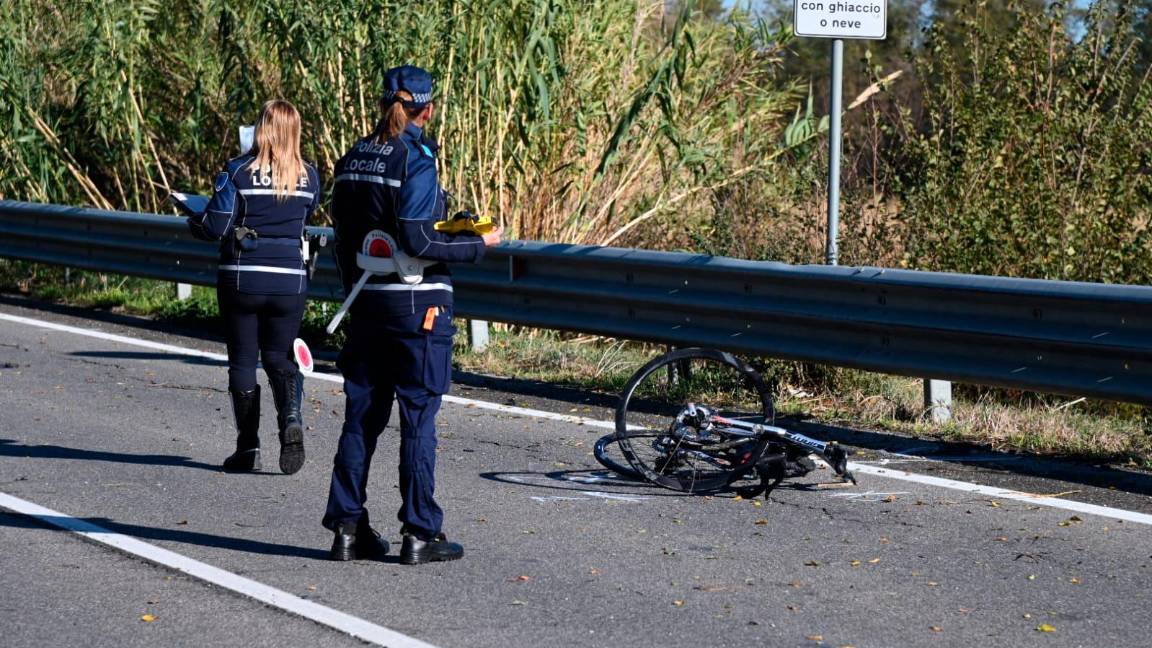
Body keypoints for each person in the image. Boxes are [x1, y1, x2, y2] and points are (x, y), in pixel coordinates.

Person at [322, 65, 502, 564]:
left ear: (384, 103)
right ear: (427, 108)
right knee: (418, 418)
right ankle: (420, 531)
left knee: (361, 419)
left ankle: (347, 527)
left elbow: (342, 239)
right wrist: (474, 243)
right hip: (418, 303)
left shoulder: (352, 156)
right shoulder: (417, 159)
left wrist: (355, 296)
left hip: (368, 300)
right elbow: (419, 239)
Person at [188, 99, 320, 475]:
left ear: (262, 128)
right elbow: (304, 217)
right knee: (279, 357)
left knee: (244, 361)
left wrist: (193, 222)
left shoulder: (237, 171)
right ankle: (291, 416)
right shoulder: (310, 176)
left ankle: (248, 447)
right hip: (290, 281)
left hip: (243, 277)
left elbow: (216, 225)